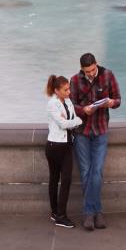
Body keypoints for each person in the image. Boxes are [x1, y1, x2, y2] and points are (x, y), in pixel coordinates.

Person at [67, 51, 121, 230]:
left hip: (100, 130)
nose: (90, 73)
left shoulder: (108, 75)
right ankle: (95, 213)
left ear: (96, 64)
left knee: (96, 172)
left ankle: (90, 212)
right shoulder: (74, 80)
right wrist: (84, 111)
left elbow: (118, 100)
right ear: (81, 69)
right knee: (85, 172)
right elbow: (70, 107)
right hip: (82, 132)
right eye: (86, 71)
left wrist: (111, 103)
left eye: (92, 70)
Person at [41, 72, 83, 227]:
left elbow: (68, 121)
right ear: (57, 91)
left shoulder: (68, 101)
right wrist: (77, 120)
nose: (69, 92)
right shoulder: (52, 104)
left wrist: (71, 121)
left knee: (63, 180)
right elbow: (63, 124)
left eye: (69, 89)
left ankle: (56, 213)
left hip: (66, 145)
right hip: (55, 146)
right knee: (59, 180)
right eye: (65, 90)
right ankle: (60, 215)